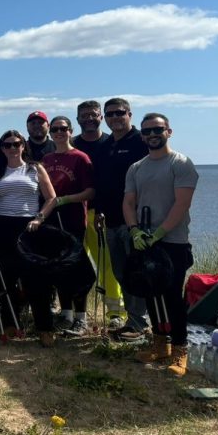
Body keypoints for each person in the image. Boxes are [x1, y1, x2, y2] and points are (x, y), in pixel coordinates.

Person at [124, 113, 198, 376]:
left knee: (172, 297)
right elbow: (129, 202)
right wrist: (134, 230)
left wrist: (160, 233)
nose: (152, 135)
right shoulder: (136, 167)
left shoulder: (181, 163)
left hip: (173, 242)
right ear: (142, 135)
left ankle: (180, 351)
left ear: (169, 131)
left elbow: (182, 203)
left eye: (157, 129)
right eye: (147, 131)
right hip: (143, 241)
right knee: (150, 292)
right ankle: (159, 344)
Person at [0, 130, 59, 347]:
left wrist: (40, 218)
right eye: (7, 145)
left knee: (36, 280)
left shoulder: (35, 168)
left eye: (16, 144)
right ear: (2, 149)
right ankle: (10, 324)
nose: (12, 148)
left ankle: (45, 328)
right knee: (6, 279)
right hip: (2, 226)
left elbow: (52, 198)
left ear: (23, 145)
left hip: (30, 228)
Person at [94, 98, 150, 341]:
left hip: (135, 222)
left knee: (137, 273)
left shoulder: (140, 141)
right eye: (110, 114)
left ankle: (142, 324)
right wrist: (98, 211)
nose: (115, 118)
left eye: (119, 113)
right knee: (121, 273)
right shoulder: (106, 145)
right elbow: (103, 184)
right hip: (111, 220)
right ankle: (133, 321)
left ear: (130, 114)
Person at [41, 116, 95, 336]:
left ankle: (81, 318)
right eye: (55, 129)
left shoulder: (80, 158)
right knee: (58, 268)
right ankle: (66, 314)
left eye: (63, 129)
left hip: (73, 222)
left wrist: (65, 199)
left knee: (76, 269)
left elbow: (91, 191)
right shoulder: (46, 159)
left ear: (71, 131)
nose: (59, 132)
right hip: (52, 223)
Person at [72, 100, 122, 320]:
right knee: (74, 263)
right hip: (73, 213)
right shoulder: (71, 145)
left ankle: (115, 313)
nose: (89, 119)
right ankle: (75, 312)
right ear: (78, 119)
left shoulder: (110, 143)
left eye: (93, 114)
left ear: (101, 117)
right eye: (84, 115)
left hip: (100, 214)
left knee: (107, 264)